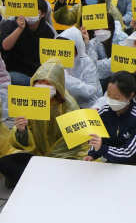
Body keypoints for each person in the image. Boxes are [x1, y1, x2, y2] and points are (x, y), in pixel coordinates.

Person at [0, 58, 87, 187]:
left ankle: (33, 179)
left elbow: (74, 141)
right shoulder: (31, 101)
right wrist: (22, 130)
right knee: (4, 162)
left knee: (72, 169)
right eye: (40, 81)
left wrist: (48, 159)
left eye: (48, 82)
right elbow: (22, 143)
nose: (43, 85)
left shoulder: (69, 105)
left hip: (64, 157)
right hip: (38, 154)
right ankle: (42, 179)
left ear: (57, 84)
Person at [85, 71, 136, 167]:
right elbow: (98, 140)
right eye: (109, 95)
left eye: (116, 97)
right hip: (112, 166)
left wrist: (101, 148)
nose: (111, 99)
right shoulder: (103, 112)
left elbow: (128, 153)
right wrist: (92, 154)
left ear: (130, 96)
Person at [0, 0, 55, 86]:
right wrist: (19, 29)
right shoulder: (11, 24)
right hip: (15, 71)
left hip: (37, 72)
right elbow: (5, 46)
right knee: (14, 78)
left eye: (34, 12)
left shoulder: (47, 31)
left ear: (42, 14)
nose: (30, 15)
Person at [57, 26, 102, 109]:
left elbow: (89, 91)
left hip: (87, 106)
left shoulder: (86, 62)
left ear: (77, 48)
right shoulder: (56, 61)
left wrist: (64, 76)